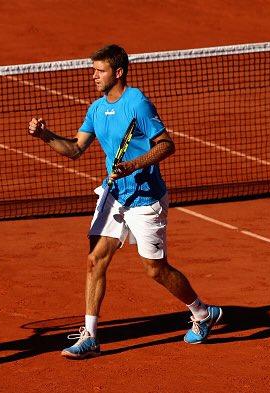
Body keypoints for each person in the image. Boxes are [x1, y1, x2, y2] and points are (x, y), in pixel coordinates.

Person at [27, 44, 222, 359]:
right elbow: (76, 149)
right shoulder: (95, 109)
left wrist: (133, 165)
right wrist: (46, 136)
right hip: (115, 194)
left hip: (145, 199)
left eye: (99, 71)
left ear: (117, 72)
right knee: (95, 260)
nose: (93, 76)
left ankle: (202, 313)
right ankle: (90, 336)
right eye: (93, 70)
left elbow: (166, 145)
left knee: (155, 270)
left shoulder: (138, 104)